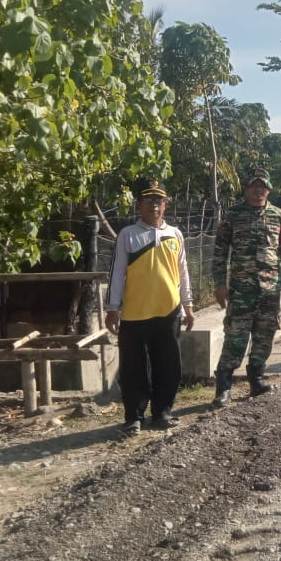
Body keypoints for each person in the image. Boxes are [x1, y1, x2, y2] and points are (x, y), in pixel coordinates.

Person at [104, 179, 195, 435]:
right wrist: (112, 308)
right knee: (134, 368)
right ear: (139, 205)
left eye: (159, 200)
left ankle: (163, 412)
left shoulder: (175, 234)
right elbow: (117, 273)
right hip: (135, 313)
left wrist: (188, 305)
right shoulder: (128, 235)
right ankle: (134, 417)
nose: (154, 205)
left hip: (169, 311)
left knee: (168, 365)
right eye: (148, 200)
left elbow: (183, 272)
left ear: (165, 204)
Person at [212, 166, 281, 406]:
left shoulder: (280, 216)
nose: (259, 190)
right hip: (241, 290)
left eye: (263, 186)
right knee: (235, 338)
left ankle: (257, 380)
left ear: (269, 189)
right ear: (246, 188)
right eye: (254, 186)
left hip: (269, 290)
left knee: (264, 336)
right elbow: (220, 252)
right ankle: (224, 388)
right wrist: (219, 283)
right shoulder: (232, 215)